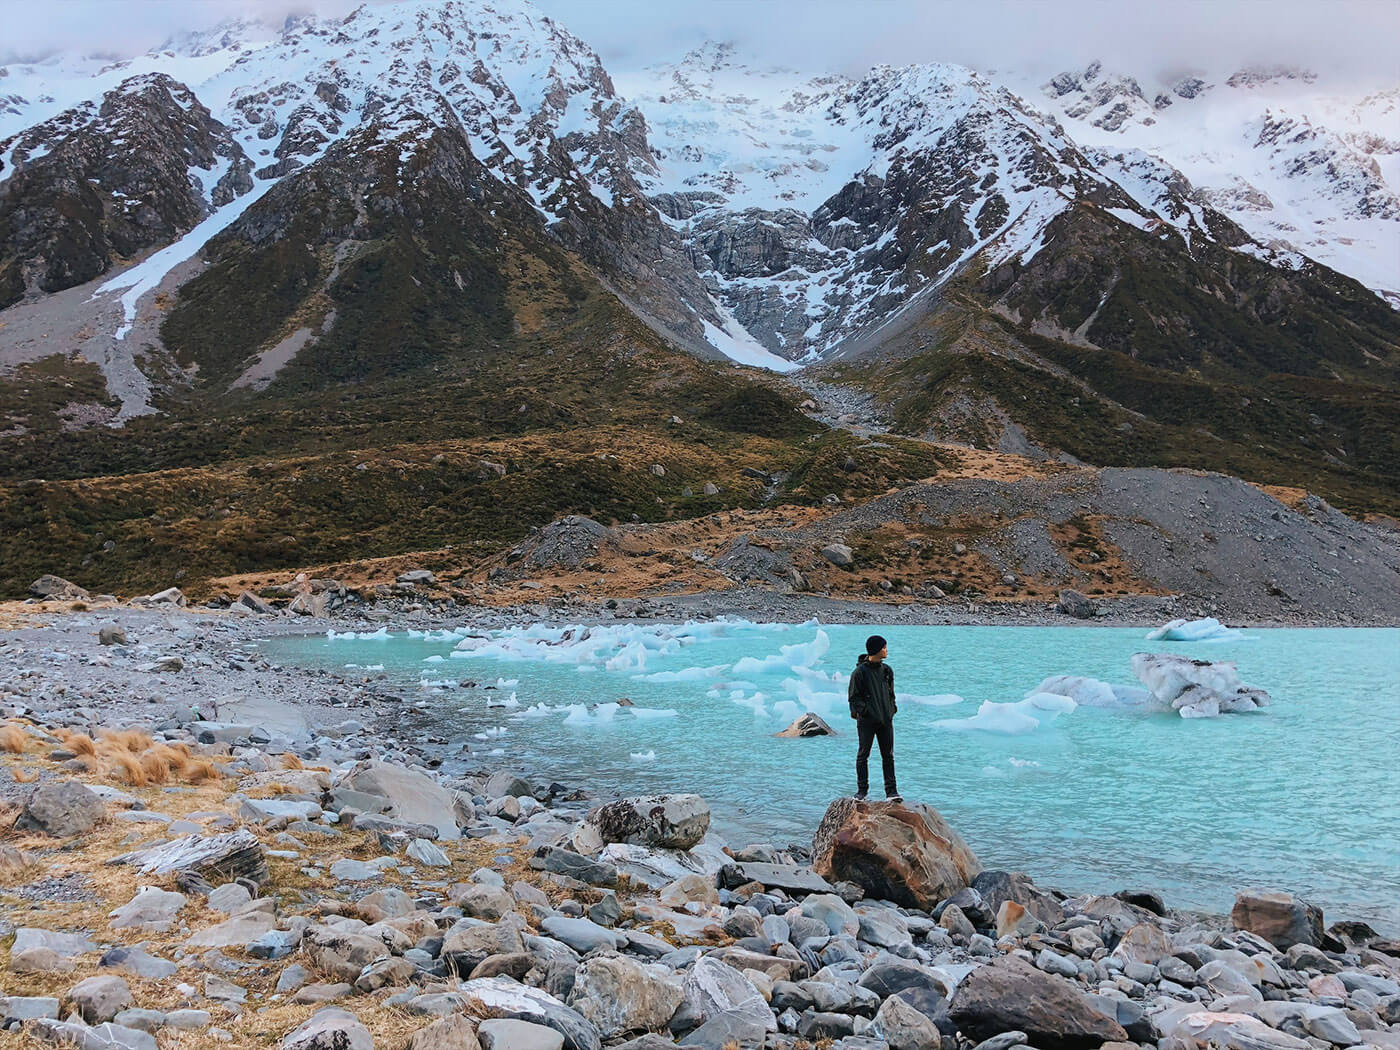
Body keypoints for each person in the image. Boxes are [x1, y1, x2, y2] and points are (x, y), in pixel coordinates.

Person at [848, 634, 901, 802]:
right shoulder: (859, 673)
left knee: (888, 756)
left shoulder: (887, 670)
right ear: (876, 650)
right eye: (884, 647)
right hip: (867, 722)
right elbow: (853, 698)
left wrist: (891, 710)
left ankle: (891, 792)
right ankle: (862, 792)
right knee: (863, 755)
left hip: (886, 720)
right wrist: (866, 712)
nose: (886, 650)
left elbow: (891, 694)